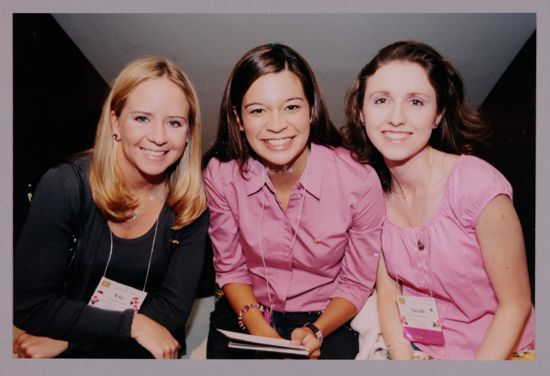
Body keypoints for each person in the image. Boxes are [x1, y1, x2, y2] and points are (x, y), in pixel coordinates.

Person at [342, 40, 535, 360]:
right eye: (381, 100)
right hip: (421, 349)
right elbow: (387, 294)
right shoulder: (370, 191)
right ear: (361, 113)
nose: (396, 118)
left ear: (438, 114)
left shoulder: (477, 186)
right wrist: (402, 357)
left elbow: (515, 305)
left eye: (416, 102)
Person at [13, 56, 209, 359]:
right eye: (142, 118)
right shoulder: (65, 186)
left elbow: (171, 312)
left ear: (188, 134)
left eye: (174, 123)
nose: (158, 137)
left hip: (139, 351)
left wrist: (71, 340)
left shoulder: (191, 201)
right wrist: (134, 325)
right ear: (115, 122)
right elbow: (29, 306)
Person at [203, 43, 385, 359]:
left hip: (328, 316)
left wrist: (316, 331)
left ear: (312, 109)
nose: (276, 125)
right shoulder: (221, 175)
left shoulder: (358, 180)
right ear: (239, 119)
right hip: (249, 310)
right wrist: (264, 336)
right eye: (258, 110)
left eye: (291, 107)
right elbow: (230, 269)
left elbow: (357, 282)